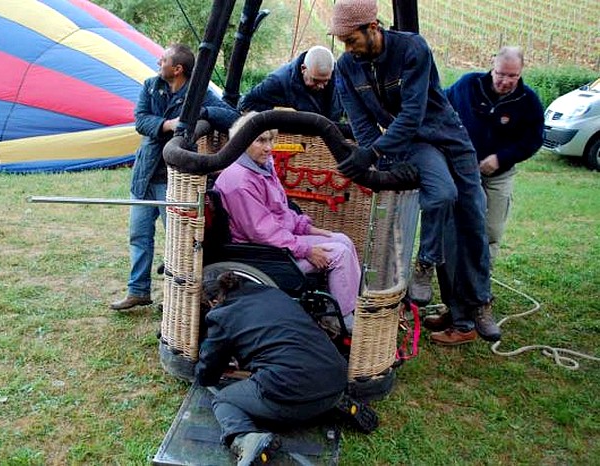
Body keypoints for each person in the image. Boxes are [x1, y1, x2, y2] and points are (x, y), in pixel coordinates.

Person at [328, 0, 500, 344]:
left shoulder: (412, 49)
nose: (348, 50)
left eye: (352, 40)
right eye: (343, 43)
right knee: (440, 200)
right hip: (411, 145)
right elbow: (361, 122)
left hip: (448, 136)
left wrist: (376, 151)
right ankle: (448, 297)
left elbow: (413, 113)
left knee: (472, 220)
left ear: (373, 27)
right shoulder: (348, 67)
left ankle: (477, 303)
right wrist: (378, 158)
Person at [110, 44, 238, 311]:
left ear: (177, 69)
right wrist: (169, 125)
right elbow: (140, 120)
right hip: (145, 175)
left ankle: (174, 296)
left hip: (174, 180)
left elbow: (232, 117)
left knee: (178, 243)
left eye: (164, 59)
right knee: (139, 235)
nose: (159, 61)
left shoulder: (198, 94)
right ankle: (138, 290)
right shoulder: (150, 85)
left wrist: (202, 113)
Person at [214, 112, 362, 328]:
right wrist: (306, 249)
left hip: (278, 245)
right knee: (339, 254)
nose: (269, 147)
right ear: (242, 142)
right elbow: (262, 232)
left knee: (342, 240)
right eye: (261, 140)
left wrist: (309, 229)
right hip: (263, 256)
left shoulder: (260, 168)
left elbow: (281, 212)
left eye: (271, 139)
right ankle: (341, 321)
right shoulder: (240, 180)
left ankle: (351, 307)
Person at [195, 269, 348, 465]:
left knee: (224, 401)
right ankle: (334, 406)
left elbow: (207, 374)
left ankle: (245, 438)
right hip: (336, 379)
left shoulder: (220, 315)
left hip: (292, 391)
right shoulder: (271, 292)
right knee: (304, 379)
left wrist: (202, 363)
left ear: (213, 302)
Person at [446, 46, 544, 265]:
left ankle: (482, 278)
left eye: (513, 76)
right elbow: (441, 105)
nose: (506, 81)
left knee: (492, 230)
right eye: (501, 74)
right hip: (463, 171)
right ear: (492, 66)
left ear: (521, 72)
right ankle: (451, 270)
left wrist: (502, 158)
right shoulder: (467, 85)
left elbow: (534, 140)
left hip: (499, 174)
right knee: (457, 222)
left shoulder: (528, 101)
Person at [237, 45, 346, 127]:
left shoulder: (341, 77)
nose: (321, 86)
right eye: (315, 80)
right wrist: (280, 112)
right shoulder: (278, 81)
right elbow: (246, 104)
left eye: (326, 81)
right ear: (303, 69)